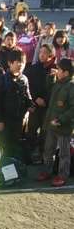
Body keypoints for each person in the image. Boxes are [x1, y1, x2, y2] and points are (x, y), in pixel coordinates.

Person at [38, 58, 74, 187]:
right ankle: (47, 170)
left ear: (66, 72)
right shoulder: (58, 83)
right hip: (51, 124)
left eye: (59, 69)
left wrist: (61, 119)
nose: (57, 71)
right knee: (48, 150)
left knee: (64, 153)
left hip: (63, 126)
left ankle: (62, 175)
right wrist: (51, 77)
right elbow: (49, 89)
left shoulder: (71, 86)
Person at [0, 48, 34, 161]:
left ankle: (15, 166)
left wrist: (31, 105)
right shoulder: (2, 80)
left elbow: (27, 96)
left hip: (19, 119)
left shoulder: (24, 79)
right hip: (5, 119)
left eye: (23, 62)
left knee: (16, 144)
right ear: (10, 63)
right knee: (4, 144)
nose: (21, 65)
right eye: (18, 62)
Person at [25, 45, 56, 161]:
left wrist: (46, 101)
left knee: (45, 132)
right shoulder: (34, 68)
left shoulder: (55, 70)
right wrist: (35, 98)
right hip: (35, 105)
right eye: (40, 52)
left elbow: (56, 90)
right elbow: (27, 85)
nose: (41, 55)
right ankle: (29, 154)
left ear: (51, 55)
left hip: (48, 107)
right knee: (32, 130)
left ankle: (43, 155)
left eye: (45, 52)